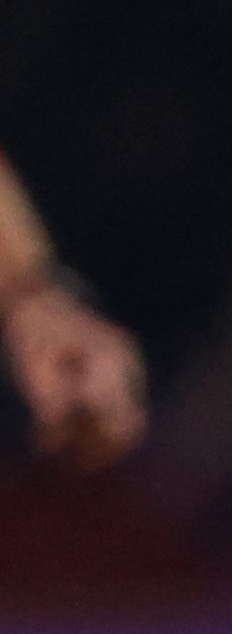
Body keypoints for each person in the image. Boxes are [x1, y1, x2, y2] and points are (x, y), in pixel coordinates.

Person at [0, 145, 147, 469]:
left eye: (76, 416)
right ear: (126, 347)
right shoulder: (83, 193)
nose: (85, 384)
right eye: (112, 395)